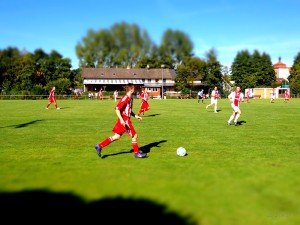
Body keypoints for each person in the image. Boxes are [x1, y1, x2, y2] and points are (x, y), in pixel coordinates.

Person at [94, 83, 147, 158]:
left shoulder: (130, 98)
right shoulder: (126, 98)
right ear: (131, 90)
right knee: (134, 135)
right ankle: (136, 153)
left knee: (117, 136)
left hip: (123, 119)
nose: (134, 90)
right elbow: (117, 109)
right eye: (134, 88)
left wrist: (136, 116)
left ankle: (99, 146)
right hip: (124, 120)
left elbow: (129, 110)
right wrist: (122, 120)